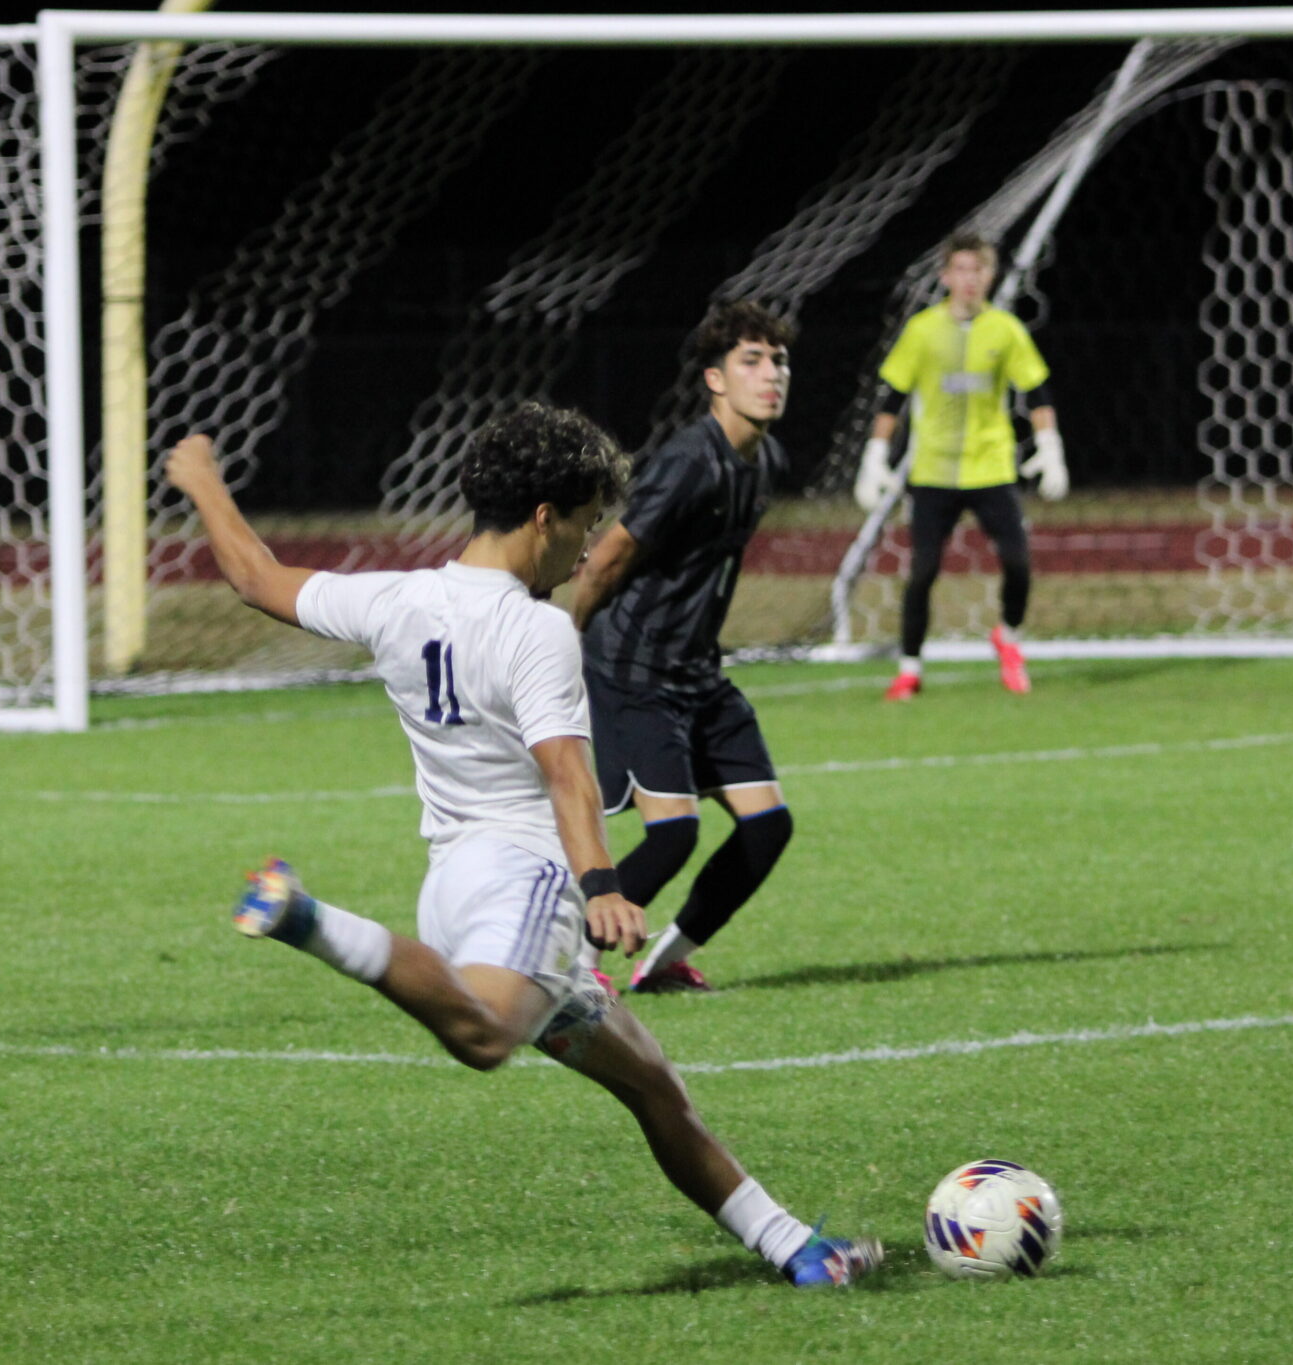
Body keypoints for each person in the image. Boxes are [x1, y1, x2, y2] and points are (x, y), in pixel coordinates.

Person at [162, 404, 880, 1288]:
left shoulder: (398, 597)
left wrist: (201, 480)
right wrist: (603, 882)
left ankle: (799, 1251)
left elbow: (253, 575)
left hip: (454, 884)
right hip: (530, 886)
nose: (585, 553)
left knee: (653, 1084)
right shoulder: (536, 626)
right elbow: (567, 776)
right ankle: (306, 917)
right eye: (582, 527)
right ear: (544, 515)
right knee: (485, 1035)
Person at [569, 302, 796, 995]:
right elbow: (607, 557)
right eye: (751, 362)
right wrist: (554, 641)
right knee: (673, 835)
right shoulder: (689, 460)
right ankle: (565, 968)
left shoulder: (765, 461)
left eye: (779, 361)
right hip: (634, 670)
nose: (771, 375)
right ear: (715, 380)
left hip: (698, 674)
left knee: (768, 827)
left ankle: (663, 962)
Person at [853, 232, 1066, 700]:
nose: (969, 280)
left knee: (1018, 562)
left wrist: (1050, 447)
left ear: (990, 276)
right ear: (945, 276)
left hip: (991, 468)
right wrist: (874, 457)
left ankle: (1007, 637)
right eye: (961, 270)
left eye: (979, 270)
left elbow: (1037, 391)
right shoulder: (923, 331)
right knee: (924, 571)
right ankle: (909, 669)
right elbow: (892, 398)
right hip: (934, 472)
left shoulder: (1005, 330)